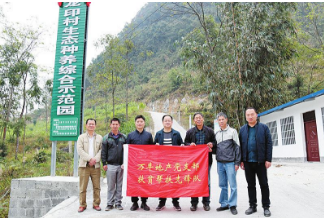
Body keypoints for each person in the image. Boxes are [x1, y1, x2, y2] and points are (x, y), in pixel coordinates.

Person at [239, 107, 273, 217]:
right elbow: (240, 146)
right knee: (250, 185)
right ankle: (252, 206)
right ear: (245, 117)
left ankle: (266, 207)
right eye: (248, 115)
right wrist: (241, 160)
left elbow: (269, 144)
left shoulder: (263, 128)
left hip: (261, 161)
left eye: (252, 114)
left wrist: (268, 159)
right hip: (247, 161)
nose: (250, 116)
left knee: (263, 184)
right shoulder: (242, 129)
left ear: (256, 115)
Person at [184, 112, 216, 211]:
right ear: (194, 120)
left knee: (206, 182)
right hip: (194, 162)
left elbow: (215, 143)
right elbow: (185, 142)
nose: (198, 119)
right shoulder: (190, 132)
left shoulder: (210, 131)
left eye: (200, 117)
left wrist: (211, 145)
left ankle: (206, 203)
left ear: (203, 119)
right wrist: (190, 144)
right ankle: (194, 203)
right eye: (196, 118)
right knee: (194, 181)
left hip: (206, 161)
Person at [154, 114, 184, 211]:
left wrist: (183, 146)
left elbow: (181, 145)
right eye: (165, 121)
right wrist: (156, 145)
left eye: (169, 120)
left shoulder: (176, 134)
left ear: (172, 122)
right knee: (162, 182)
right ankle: (161, 202)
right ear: (162, 122)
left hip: (174, 163)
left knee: (174, 182)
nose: (167, 122)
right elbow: (153, 148)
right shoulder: (158, 134)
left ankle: (176, 202)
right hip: (162, 164)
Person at [215, 112, 240, 215]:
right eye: (219, 120)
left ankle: (232, 205)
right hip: (220, 163)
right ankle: (224, 204)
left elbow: (237, 147)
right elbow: (215, 148)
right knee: (222, 184)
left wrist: (237, 162)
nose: (221, 121)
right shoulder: (216, 133)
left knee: (233, 185)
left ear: (226, 120)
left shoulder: (232, 131)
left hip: (230, 163)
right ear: (217, 121)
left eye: (222, 119)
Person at [126, 115, 154, 211]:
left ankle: (144, 202)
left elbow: (152, 149)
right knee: (133, 182)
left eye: (141, 121)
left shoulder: (149, 135)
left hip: (145, 164)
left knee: (144, 182)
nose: (139, 123)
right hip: (133, 164)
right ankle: (134, 203)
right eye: (137, 121)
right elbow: (127, 150)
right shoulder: (130, 135)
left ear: (144, 123)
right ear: (135, 123)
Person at [77, 118, 103, 213]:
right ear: (86, 125)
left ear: (95, 126)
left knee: (97, 187)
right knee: (83, 187)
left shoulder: (100, 137)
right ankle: (82, 205)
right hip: (84, 166)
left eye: (93, 124)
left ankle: (96, 204)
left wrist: (95, 159)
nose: (91, 125)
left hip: (95, 166)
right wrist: (89, 159)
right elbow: (80, 150)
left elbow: (101, 150)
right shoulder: (81, 137)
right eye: (89, 124)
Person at [101, 118, 127, 211]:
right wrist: (104, 163)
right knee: (111, 185)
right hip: (110, 165)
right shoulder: (106, 138)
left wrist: (125, 163)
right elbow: (103, 152)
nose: (115, 126)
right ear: (110, 125)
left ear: (119, 125)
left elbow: (127, 151)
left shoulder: (124, 137)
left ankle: (118, 203)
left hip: (121, 165)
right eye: (113, 124)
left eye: (116, 124)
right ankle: (109, 203)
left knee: (119, 185)